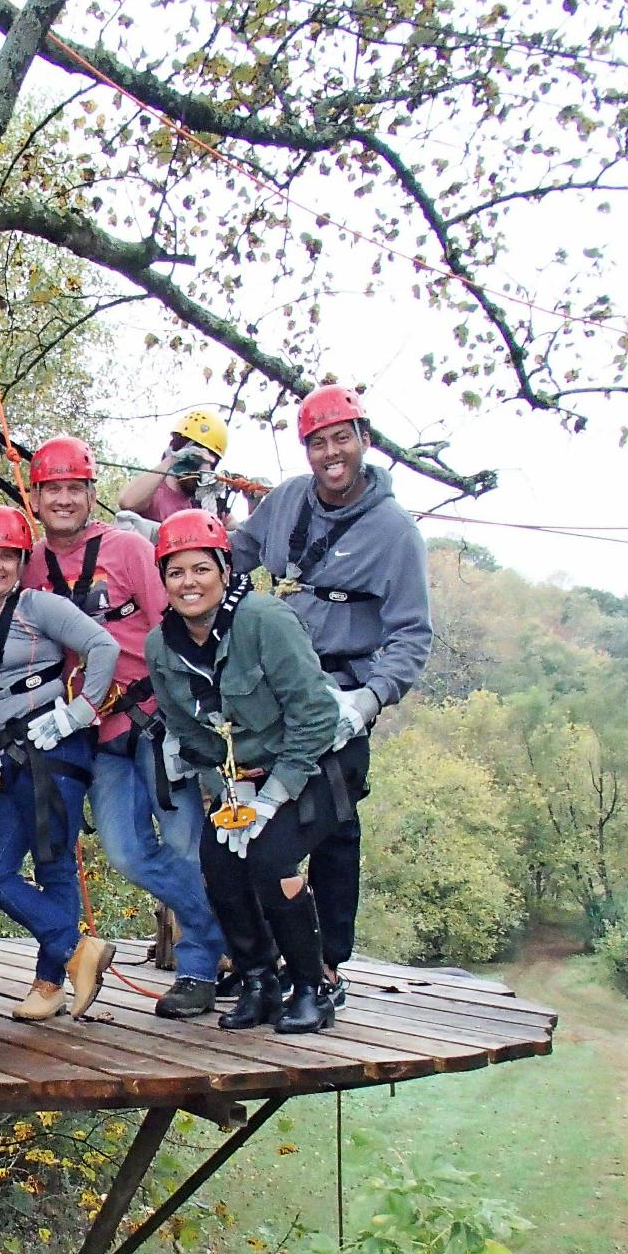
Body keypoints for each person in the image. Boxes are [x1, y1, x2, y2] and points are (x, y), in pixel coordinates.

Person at [230, 385, 431, 1000]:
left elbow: (411, 633)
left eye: (341, 438)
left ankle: (327, 963)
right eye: (318, 442)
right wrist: (182, 552)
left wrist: (368, 699)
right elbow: (238, 550)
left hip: (343, 685)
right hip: (275, 682)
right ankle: (261, 955)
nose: (330, 452)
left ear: (364, 442)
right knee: (255, 814)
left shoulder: (394, 532)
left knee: (334, 821)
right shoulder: (290, 500)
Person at [22, 434, 227, 1018]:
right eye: (52, 490)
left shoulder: (129, 549)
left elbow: (176, 624)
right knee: (127, 852)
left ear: (91, 493)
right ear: (36, 498)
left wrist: (197, 713)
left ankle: (197, 968)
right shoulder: (30, 565)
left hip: (163, 719)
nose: (64, 500)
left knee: (185, 846)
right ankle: (223, 928)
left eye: (74, 489)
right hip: (100, 728)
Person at [146, 509, 354, 1034]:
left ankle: (311, 985)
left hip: (316, 764)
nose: (188, 583)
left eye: (200, 569)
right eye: (175, 572)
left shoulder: (264, 621)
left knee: (270, 859)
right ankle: (257, 978)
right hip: (243, 774)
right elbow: (187, 731)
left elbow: (316, 715)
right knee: (218, 859)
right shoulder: (162, 646)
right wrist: (226, 789)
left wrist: (275, 794)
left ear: (223, 569)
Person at [0, 506, 118, 1020]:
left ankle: (50, 983)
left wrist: (80, 712)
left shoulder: (38, 606)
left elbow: (102, 645)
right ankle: (75, 947)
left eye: (7, 556)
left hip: (50, 748)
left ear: (20, 560)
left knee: (54, 863)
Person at [117, 407, 229, 527]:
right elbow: (127, 502)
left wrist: (251, 501)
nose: (205, 470)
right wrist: (172, 459)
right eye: (198, 460)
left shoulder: (202, 504)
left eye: (211, 464)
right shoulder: (153, 490)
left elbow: (238, 531)